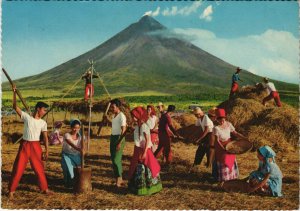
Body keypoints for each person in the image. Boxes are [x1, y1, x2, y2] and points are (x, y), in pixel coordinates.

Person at [8, 85, 52, 199]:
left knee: (39, 168)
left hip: (36, 146)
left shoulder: (43, 123)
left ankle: (44, 188)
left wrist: (47, 150)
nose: (44, 111)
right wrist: (14, 92)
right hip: (25, 144)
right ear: (38, 109)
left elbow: (46, 138)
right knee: (18, 168)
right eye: (44, 109)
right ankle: (11, 190)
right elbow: (14, 106)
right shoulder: (27, 117)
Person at [128, 107, 162, 195]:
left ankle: (147, 189)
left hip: (144, 150)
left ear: (139, 115)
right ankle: (138, 187)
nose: (132, 117)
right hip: (138, 150)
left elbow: (148, 141)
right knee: (137, 167)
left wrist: (145, 153)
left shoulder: (143, 126)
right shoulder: (138, 126)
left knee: (146, 168)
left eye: (134, 116)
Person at [209, 108, 247, 184]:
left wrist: (244, 138)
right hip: (220, 147)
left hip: (230, 145)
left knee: (231, 160)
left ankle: (232, 178)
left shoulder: (229, 124)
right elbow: (217, 140)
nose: (221, 121)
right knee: (224, 161)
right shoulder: (216, 128)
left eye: (223, 119)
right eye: (219, 119)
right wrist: (223, 149)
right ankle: (224, 180)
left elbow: (235, 133)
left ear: (225, 118)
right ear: (217, 119)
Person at [189, 107, 214, 172]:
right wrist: (192, 136)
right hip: (205, 136)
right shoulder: (199, 119)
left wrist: (198, 139)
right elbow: (196, 127)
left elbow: (206, 130)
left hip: (210, 136)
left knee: (209, 152)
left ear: (199, 114)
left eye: (196, 115)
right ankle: (196, 165)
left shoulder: (206, 118)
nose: (195, 116)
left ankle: (209, 168)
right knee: (200, 151)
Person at [61, 119, 84, 187]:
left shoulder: (80, 137)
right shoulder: (67, 135)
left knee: (78, 171)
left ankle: (76, 183)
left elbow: (83, 144)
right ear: (71, 127)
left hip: (77, 155)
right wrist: (79, 149)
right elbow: (71, 144)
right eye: (74, 128)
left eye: (77, 128)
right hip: (67, 155)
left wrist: (83, 150)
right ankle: (68, 183)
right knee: (69, 171)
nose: (76, 129)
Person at [109, 98, 127, 187]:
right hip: (113, 137)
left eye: (113, 107)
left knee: (116, 160)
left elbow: (123, 130)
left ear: (118, 106)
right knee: (113, 159)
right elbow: (114, 125)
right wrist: (107, 120)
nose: (112, 109)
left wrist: (119, 142)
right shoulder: (114, 116)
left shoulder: (122, 116)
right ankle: (119, 179)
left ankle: (119, 179)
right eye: (111, 107)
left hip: (119, 138)